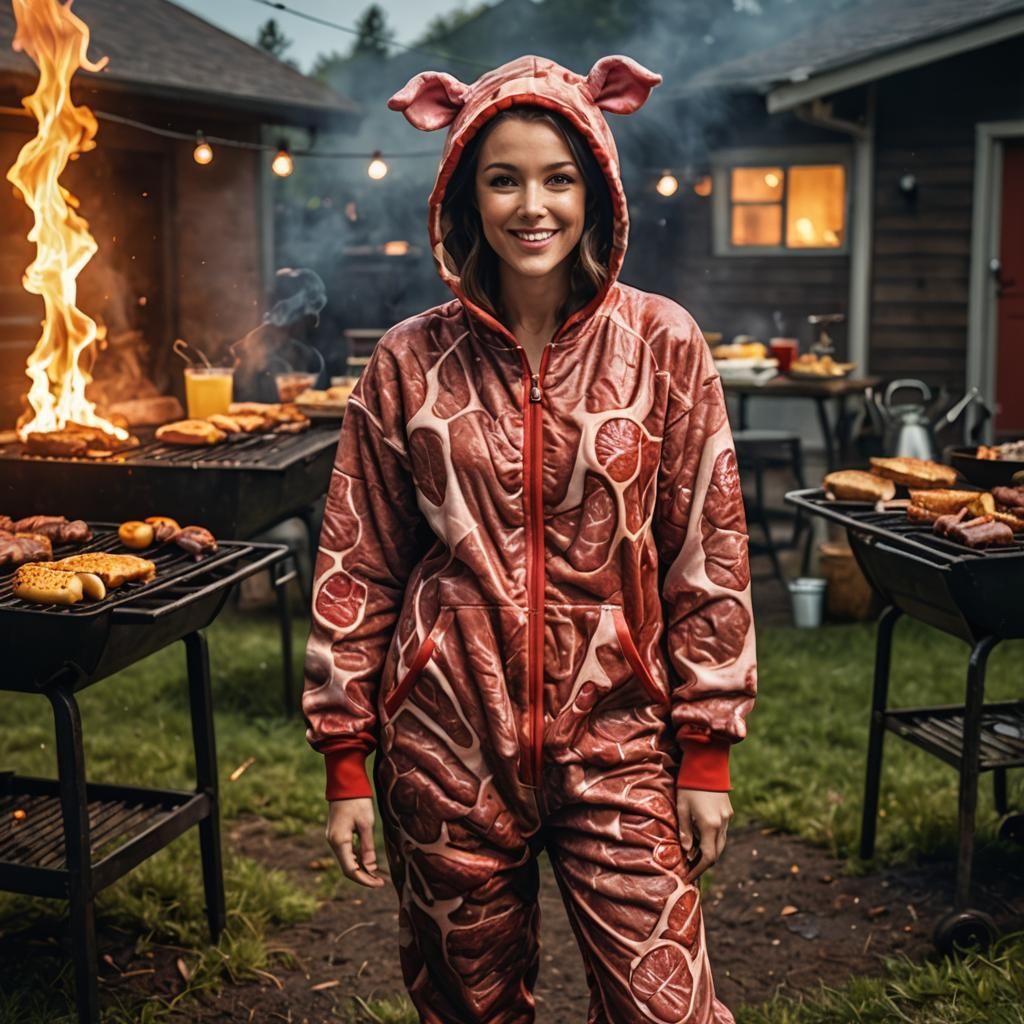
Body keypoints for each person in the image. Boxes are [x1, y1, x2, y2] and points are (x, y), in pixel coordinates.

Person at [302, 53, 757, 1024]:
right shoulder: (406, 362)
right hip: (444, 749)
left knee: (664, 1007)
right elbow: (358, 560)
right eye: (502, 178)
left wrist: (705, 748)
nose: (531, 205)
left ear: (595, 187)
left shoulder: (663, 343)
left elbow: (707, 549)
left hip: (621, 741)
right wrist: (347, 753)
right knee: (468, 1010)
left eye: (558, 177)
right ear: (465, 194)